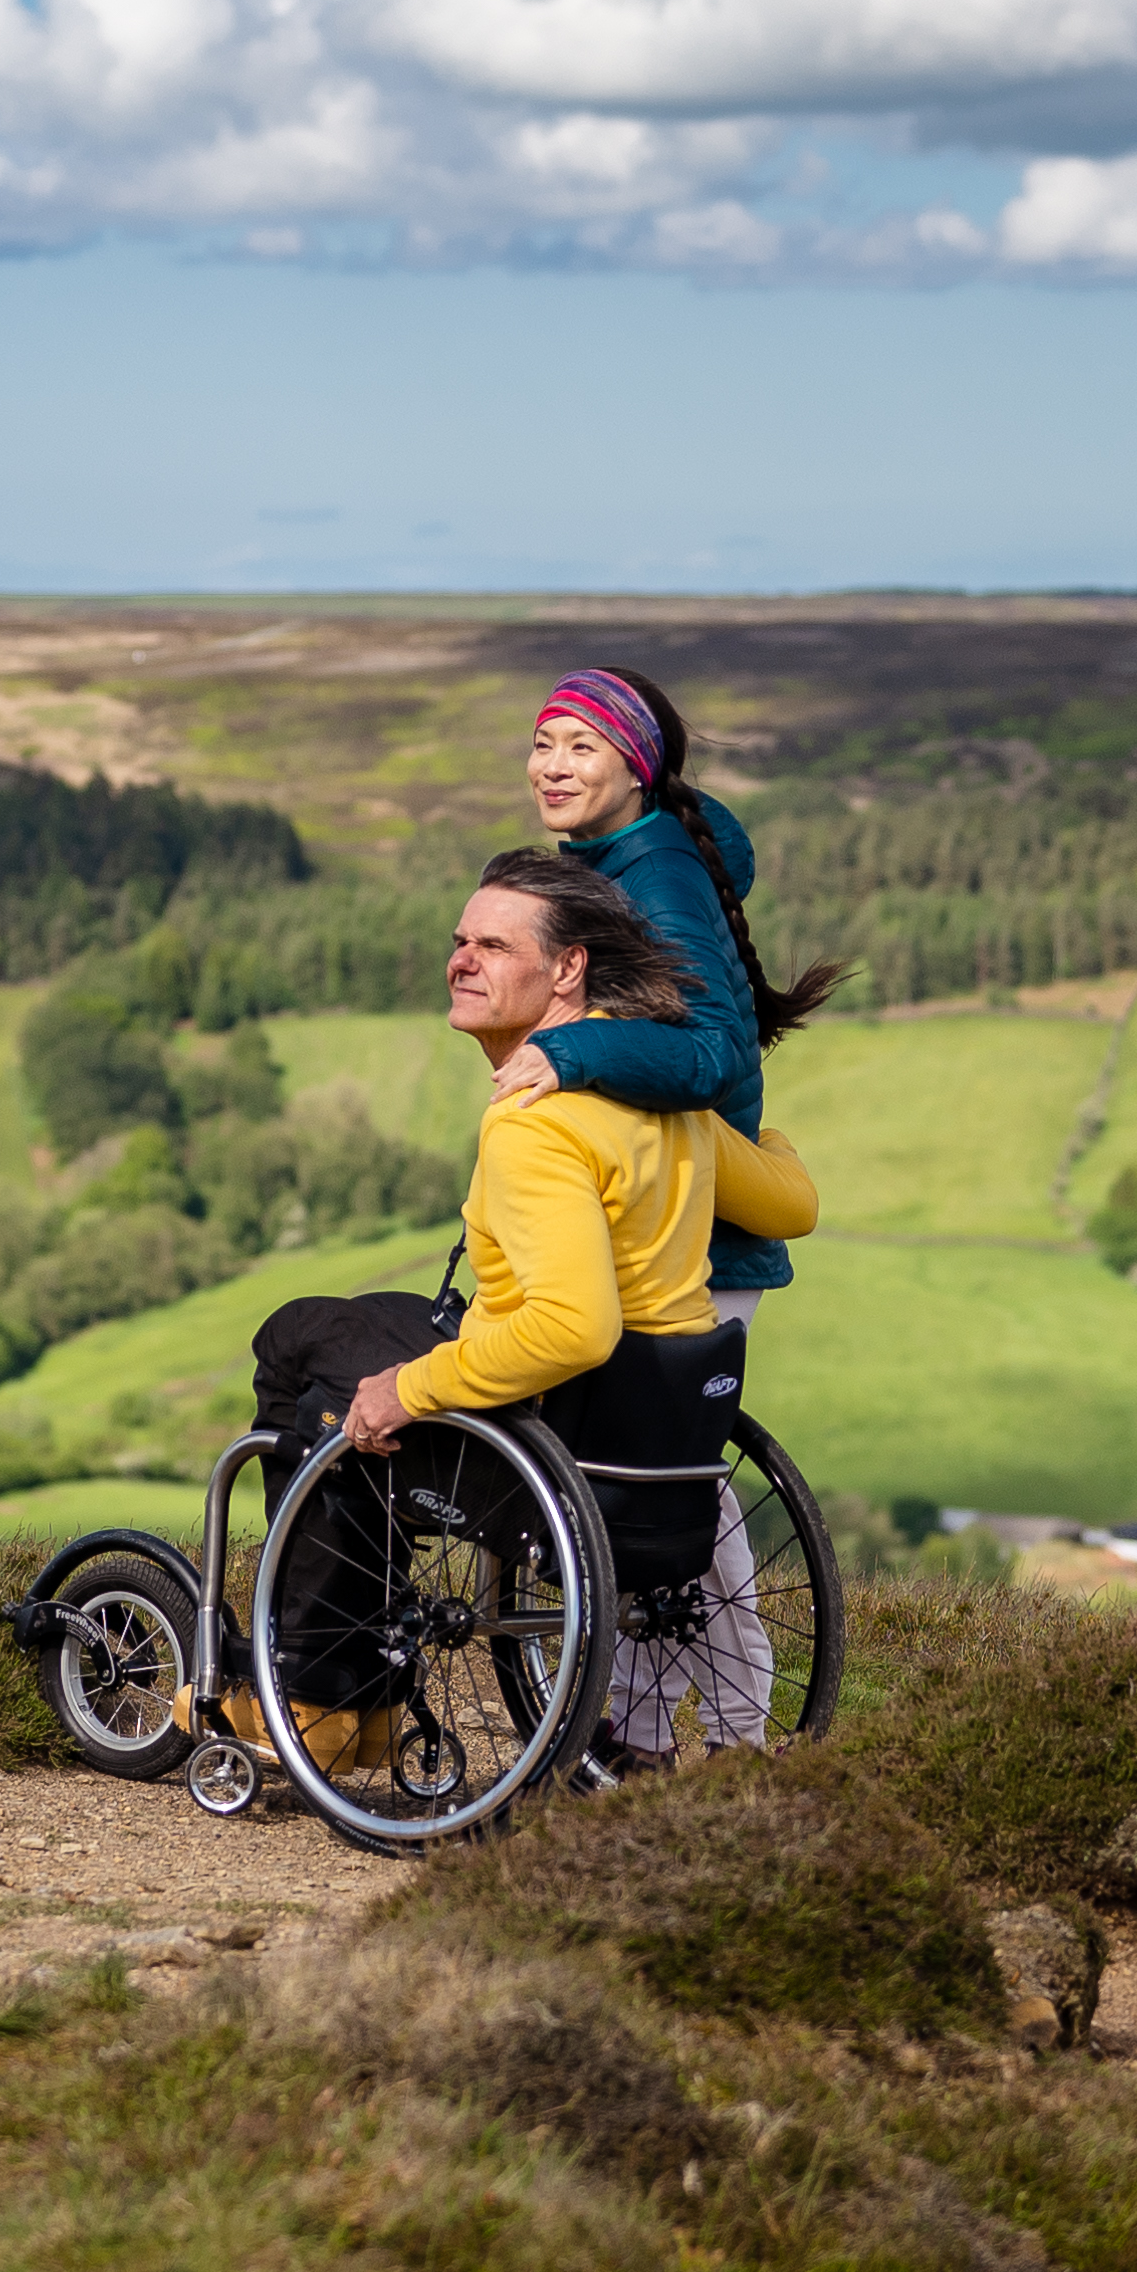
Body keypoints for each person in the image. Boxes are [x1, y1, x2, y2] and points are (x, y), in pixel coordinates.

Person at [342, 848, 816, 1768]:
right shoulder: (667, 1103)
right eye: (458, 941)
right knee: (347, 1327)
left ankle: (317, 1694)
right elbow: (792, 1208)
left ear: (568, 969)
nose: (461, 959)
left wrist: (410, 1387)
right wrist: (766, 1135)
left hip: (557, 1418)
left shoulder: (537, 1120)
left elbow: (572, 1327)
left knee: (310, 1355)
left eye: (491, 943)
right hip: (662, 1416)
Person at [513, 664, 844, 1332]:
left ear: (637, 768)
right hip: (673, 1212)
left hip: (696, 1247)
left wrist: (571, 1050)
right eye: (545, 743)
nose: (553, 766)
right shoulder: (619, 858)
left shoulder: (657, 878)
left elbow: (714, 1051)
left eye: (583, 747)